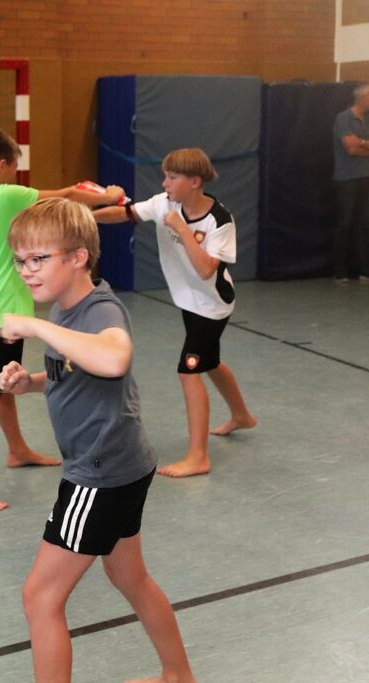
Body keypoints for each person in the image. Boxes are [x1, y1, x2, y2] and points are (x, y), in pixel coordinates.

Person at [0, 198, 196, 683]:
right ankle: (177, 676)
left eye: (38, 259)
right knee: (129, 576)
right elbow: (76, 367)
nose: (27, 271)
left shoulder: (100, 309)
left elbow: (112, 360)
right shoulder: (69, 308)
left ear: (79, 257)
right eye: (21, 261)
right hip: (126, 464)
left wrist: (32, 325)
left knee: (40, 596)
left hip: (99, 474)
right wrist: (33, 382)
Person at [0, 127, 126, 511]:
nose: (14, 175)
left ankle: (17, 450)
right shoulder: (4, 195)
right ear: (1, 165)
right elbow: (64, 197)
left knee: (0, 381)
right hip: (0, 308)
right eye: (13, 167)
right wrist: (110, 195)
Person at [94, 148, 256, 478]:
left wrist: (181, 228)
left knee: (190, 369)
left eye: (172, 177)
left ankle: (198, 457)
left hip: (211, 306)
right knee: (208, 360)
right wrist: (88, 216)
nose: (164, 182)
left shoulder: (219, 221)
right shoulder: (162, 203)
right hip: (188, 302)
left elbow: (206, 270)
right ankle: (241, 416)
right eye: (165, 175)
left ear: (195, 181)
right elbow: (125, 213)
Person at [332, 82, 369, 284]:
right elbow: (350, 148)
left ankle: (366, 268)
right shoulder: (343, 119)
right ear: (362, 98)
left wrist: (363, 142)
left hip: (368, 177)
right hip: (347, 178)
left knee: (367, 222)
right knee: (345, 222)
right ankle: (340, 269)